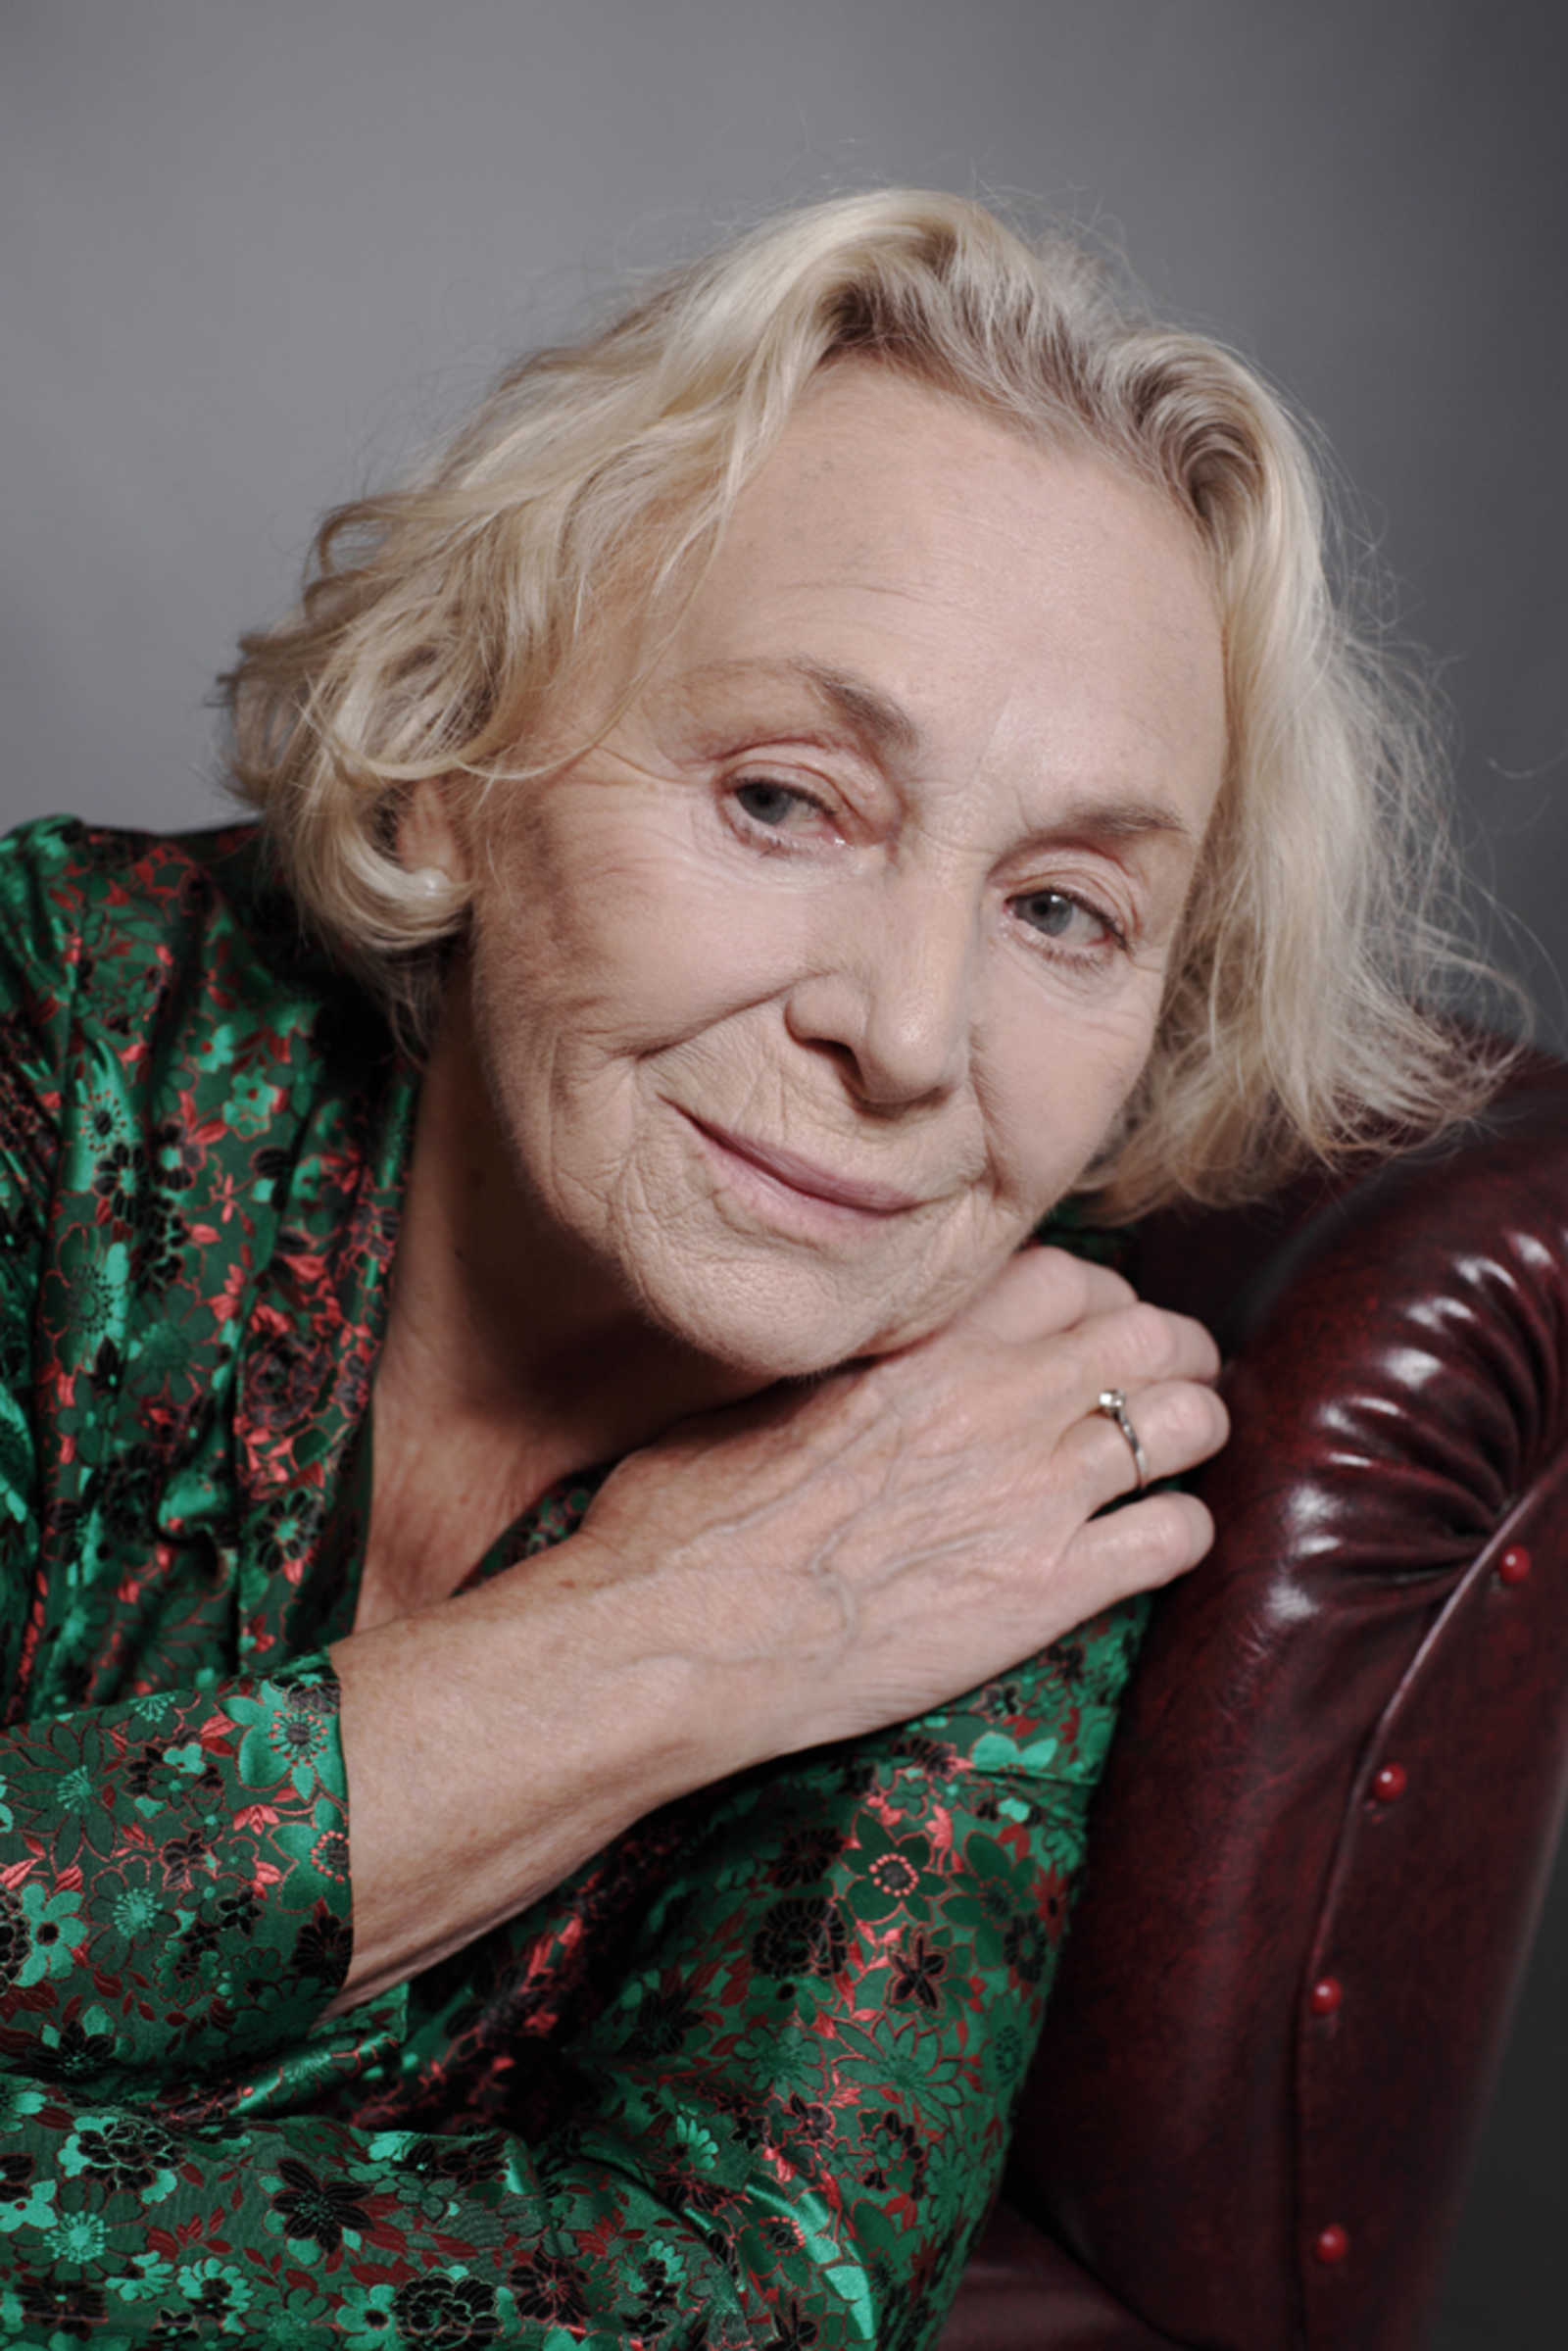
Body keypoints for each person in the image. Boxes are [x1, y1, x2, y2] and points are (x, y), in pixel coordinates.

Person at [0, 190, 1507, 2346]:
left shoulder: (1003, 1440)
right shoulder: (54, 1019)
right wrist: (670, 1636)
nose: (907, 1035)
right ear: (450, 770)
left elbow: (744, 2300)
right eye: (786, 801)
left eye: (1062, 911)